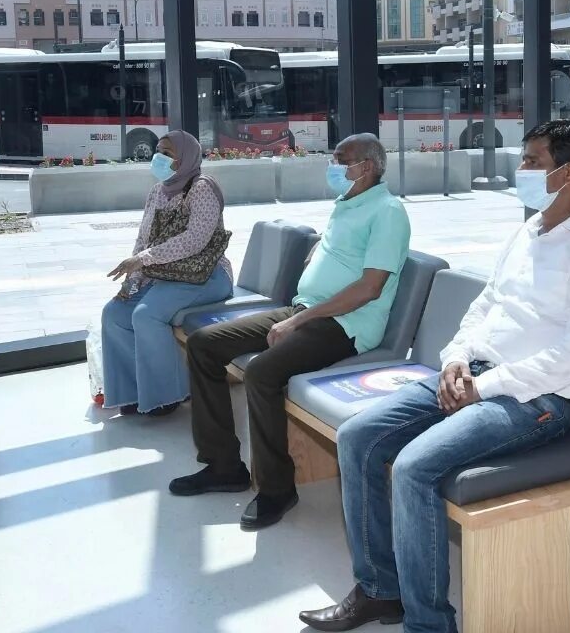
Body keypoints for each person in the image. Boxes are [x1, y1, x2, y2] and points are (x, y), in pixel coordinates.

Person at [301, 120, 570, 633]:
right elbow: (486, 304)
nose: (520, 169)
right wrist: (456, 359)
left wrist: (486, 385)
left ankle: (429, 624)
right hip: (474, 376)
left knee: (414, 467)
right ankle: (380, 591)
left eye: (532, 161)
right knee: (357, 437)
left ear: (567, 173)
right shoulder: (527, 232)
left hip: (535, 401)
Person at [169, 133, 411, 531]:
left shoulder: (387, 211)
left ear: (366, 166)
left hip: (346, 324)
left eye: (341, 160)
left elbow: (370, 288)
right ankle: (223, 465)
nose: (333, 167)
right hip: (305, 310)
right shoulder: (348, 203)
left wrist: (298, 320)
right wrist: (299, 308)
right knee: (204, 344)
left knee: (263, 372)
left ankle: (277, 488)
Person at [100, 131, 233, 417]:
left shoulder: (202, 188)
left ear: (186, 157)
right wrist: (132, 280)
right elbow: (143, 239)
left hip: (206, 275)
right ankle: (134, 392)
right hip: (168, 274)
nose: (159, 158)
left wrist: (142, 260)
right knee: (114, 313)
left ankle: (167, 395)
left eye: (168, 153)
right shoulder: (158, 190)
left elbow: (193, 240)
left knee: (146, 314)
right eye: (158, 151)